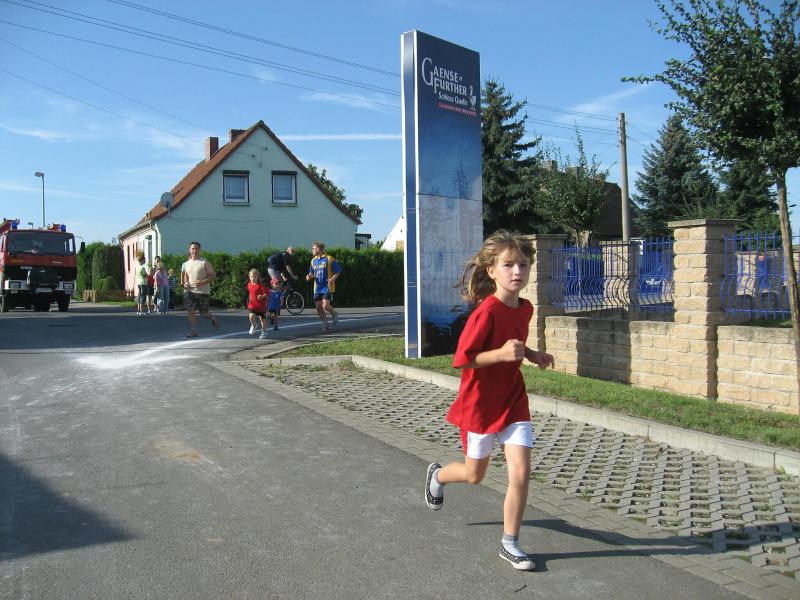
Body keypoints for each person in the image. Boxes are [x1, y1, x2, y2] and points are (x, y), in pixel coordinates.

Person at [423, 230, 554, 572]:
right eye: (508, 265)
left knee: (521, 472)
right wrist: (500, 355)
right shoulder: (485, 313)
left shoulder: (525, 308)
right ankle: (438, 476)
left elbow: (513, 343)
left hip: (513, 401)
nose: (517, 271)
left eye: (523, 265)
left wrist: (532, 354)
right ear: (492, 270)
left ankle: (510, 543)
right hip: (480, 406)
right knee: (474, 475)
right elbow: (463, 359)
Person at [180, 241, 219, 338]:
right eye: (193, 249)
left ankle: (212, 318)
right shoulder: (186, 263)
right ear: (190, 250)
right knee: (190, 310)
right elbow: (185, 275)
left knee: (204, 313)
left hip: (203, 291)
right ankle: (194, 330)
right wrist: (185, 283)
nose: (195, 250)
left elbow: (213, 275)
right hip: (190, 291)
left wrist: (202, 282)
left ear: (200, 250)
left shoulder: (204, 262)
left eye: (197, 249)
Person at [306, 241, 340, 331]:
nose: (312, 250)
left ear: (318, 249)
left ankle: (334, 313)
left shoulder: (329, 259)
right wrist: (309, 276)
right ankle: (326, 324)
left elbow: (338, 271)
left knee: (325, 306)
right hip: (317, 288)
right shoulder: (313, 261)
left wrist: (332, 279)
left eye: (313, 248)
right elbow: (311, 273)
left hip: (327, 287)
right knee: (318, 307)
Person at [246, 268, 269, 339]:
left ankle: (264, 331)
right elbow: (250, 292)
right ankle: (254, 325)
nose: (253, 278)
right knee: (251, 316)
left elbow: (267, 294)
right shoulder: (249, 285)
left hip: (261, 306)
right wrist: (251, 297)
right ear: (249, 277)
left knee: (262, 319)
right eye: (251, 276)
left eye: (254, 277)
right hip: (253, 305)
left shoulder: (261, 285)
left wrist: (261, 296)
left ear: (258, 277)